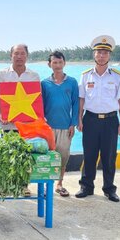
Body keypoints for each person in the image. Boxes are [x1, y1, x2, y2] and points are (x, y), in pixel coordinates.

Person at [76, 35, 120, 203]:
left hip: (111, 121)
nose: (102, 55)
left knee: (109, 156)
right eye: (99, 52)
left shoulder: (117, 76)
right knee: (89, 154)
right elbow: (81, 99)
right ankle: (86, 187)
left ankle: (109, 189)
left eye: (105, 52)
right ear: (94, 55)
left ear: (109, 55)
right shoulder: (85, 76)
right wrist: (79, 119)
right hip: (90, 119)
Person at [0, 43, 41, 197]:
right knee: (7, 153)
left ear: (27, 56)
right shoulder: (2, 74)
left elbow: (36, 100)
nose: (19, 56)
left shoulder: (34, 76)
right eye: (16, 53)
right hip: (8, 123)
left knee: (25, 154)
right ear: (11, 55)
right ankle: (6, 185)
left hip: (27, 124)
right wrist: (2, 114)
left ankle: (24, 185)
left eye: (22, 53)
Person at [41, 51, 79, 197]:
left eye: (60, 62)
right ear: (49, 64)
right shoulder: (44, 83)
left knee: (63, 156)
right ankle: (45, 186)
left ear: (64, 63)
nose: (57, 65)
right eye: (54, 62)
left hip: (65, 127)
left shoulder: (72, 82)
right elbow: (41, 106)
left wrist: (73, 123)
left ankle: (60, 184)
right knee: (47, 157)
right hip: (48, 128)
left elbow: (76, 104)